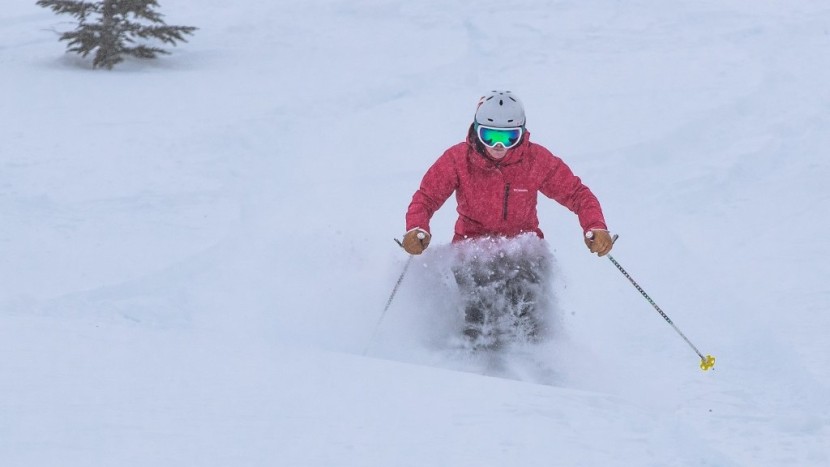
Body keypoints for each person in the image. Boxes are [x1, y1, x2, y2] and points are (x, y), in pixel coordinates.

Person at [402, 90, 613, 347]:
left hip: (523, 252)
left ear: (522, 134)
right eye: (489, 136)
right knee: (478, 317)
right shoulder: (458, 160)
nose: (498, 147)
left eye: (509, 137)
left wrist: (595, 226)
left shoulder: (535, 160)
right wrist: (417, 228)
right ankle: (472, 362)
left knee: (527, 311)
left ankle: (534, 358)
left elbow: (577, 194)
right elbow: (426, 198)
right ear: (476, 132)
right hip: (473, 250)